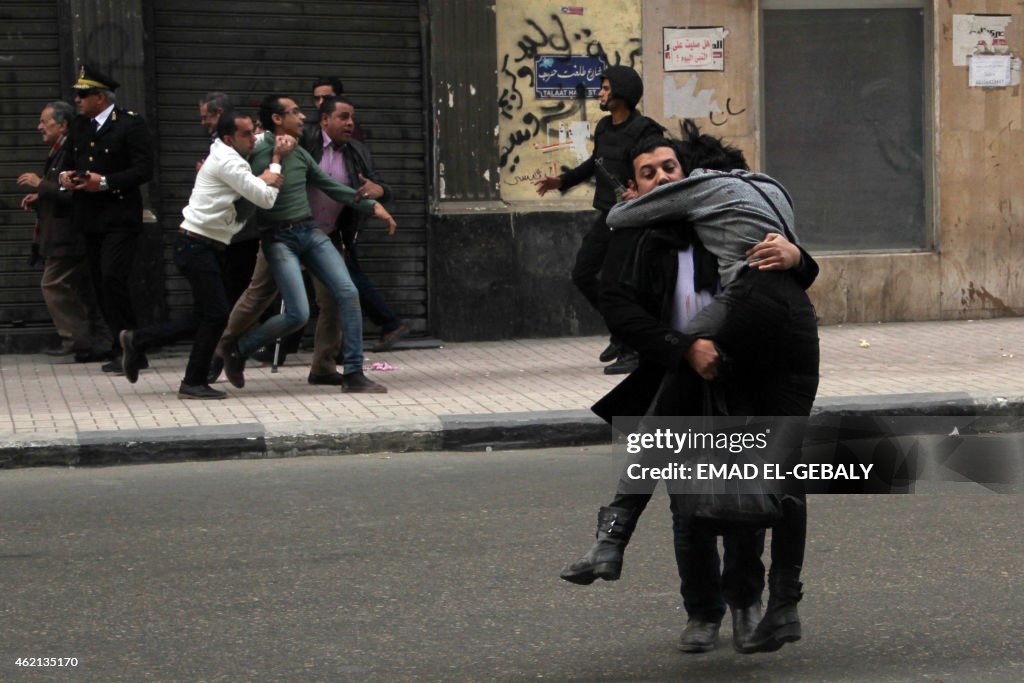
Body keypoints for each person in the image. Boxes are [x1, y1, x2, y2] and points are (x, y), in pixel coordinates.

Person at [606, 127, 820, 655]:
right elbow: (619, 307)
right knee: (689, 508)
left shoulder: (715, 213)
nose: (662, 177)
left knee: (744, 500)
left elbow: (775, 278)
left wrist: (797, 257)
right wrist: (683, 349)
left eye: (669, 168)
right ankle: (703, 611)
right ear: (634, 188)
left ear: (686, 172)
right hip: (680, 373)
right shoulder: (643, 234)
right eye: (648, 174)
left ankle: (748, 604)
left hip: (739, 374)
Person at [217, 94, 396, 393]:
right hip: (277, 239)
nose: (303, 118)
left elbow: (329, 186)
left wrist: (372, 207)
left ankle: (353, 372)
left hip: (311, 232)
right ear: (277, 119)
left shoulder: (299, 151)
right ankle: (235, 349)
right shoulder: (257, 151)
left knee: (348, 293)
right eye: (295, 112)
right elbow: (239, 184)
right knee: (294, 312)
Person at [119, 110, 290, 399]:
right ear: (228, 138)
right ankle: (192, 381)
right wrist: (275, 164)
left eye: (253, 132)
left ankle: (138, 340)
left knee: (205, 316)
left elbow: (262, 142)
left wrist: (275, 144)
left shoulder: (230, 151)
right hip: (196, 246)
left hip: (207, 246)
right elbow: (265, 198)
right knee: (216, 315)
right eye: (246, 134)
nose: (253, 139)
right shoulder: (228, 162)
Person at [534, 65, 663, 375]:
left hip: (634, 218)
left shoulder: (646, 130)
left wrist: (641, 192)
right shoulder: (605, 127)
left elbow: (658, 167)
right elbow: (596, 163)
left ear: (622, 93)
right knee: (583, 273)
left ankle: (632, 349)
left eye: (606, 88)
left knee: (620, 285)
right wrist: (562, 182)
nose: (600, 93)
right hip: (608, 214)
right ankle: (621, 332)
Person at [59, 63, 154, 374]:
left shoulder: (129, 124)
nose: (77, 100)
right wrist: (67, 177)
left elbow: (143, 169)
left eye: (83, 95)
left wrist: (105, 182)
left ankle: (133, 344)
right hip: (90, 217)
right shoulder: (79, 126)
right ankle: (121, 348)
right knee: (101, 285)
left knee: (114, 278)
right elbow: (68, 162)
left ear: (100, 98)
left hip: (119, 216)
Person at [303, 95, 408, 353]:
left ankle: (331, 360)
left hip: (332, 234)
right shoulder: (305, 142)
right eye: (343, 117)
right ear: (325, 120)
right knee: (272, 297)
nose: (350, 123)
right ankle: (241, 346)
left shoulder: (358, 151)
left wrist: (379, 191)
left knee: (335, 298)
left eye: (352, 118)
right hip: (295, 230)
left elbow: (380, 187)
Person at [17, 101, 108, 359]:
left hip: (69, 236)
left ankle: (78, 340)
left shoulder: (72, 151)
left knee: (53, 284)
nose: (40, 127)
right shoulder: (60, 150)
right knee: (83, 289)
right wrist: (41, 195)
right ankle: (96, 341)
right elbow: (60, 189)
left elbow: (75, 192)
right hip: (61, 236)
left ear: (63, 125)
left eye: (45, 122)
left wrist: (41, 185)